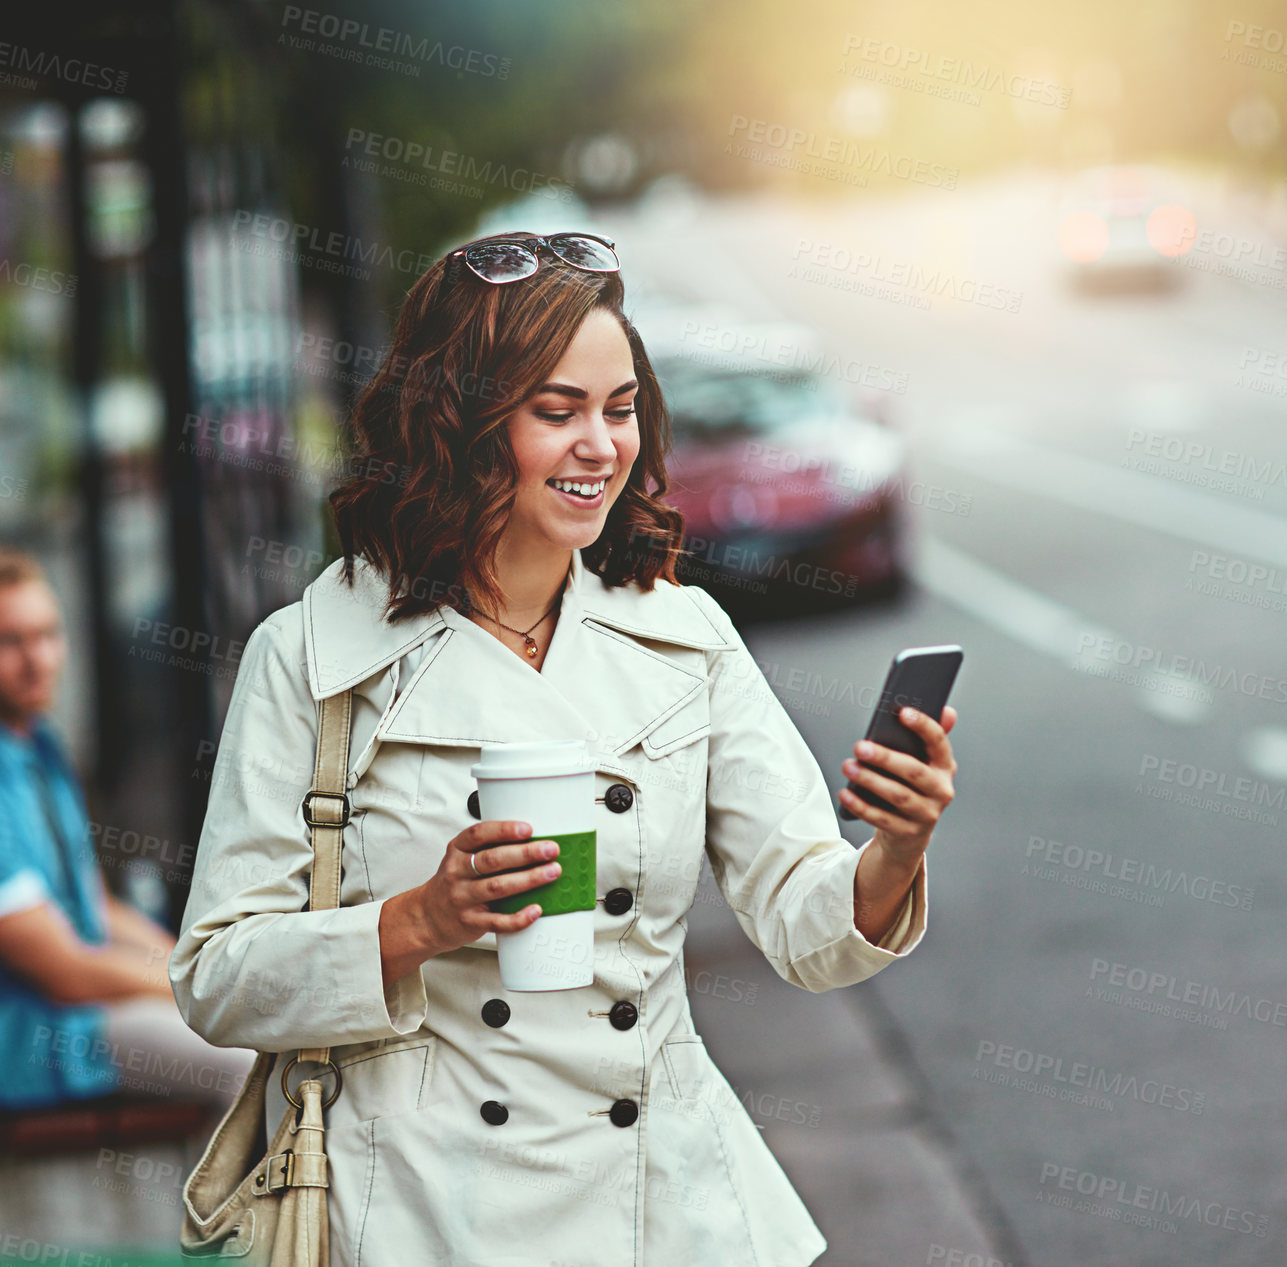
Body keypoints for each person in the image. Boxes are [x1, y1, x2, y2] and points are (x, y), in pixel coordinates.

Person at [169, 230, 958, 1266]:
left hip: (662, 1203)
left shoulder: (681, 637)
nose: (600, 445)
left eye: (620, 409)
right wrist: (420, 919)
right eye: (557, 412)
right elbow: (216, 976)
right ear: (455, 424)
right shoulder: (317, 657)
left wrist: (893, 850)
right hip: (423, 1208)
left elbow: (805, 923)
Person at [0, 545, 254, 1112]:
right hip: (21, 1044)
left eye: (47, 634)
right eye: (9, 641)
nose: (38, 658)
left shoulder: (38, 748)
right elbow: (65, 972)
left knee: (276, 1041)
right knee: (250, 1063)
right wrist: (201, 990)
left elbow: (94, 910)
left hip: (78, 1017)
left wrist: (197, 966)